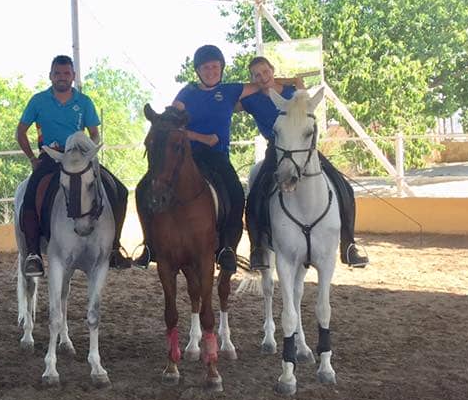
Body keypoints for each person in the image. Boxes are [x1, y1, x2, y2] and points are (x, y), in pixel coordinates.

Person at [135, 45, 294, 272]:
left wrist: (292, 82)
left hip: (217, 156)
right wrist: (197, 136)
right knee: (144, 187)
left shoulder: (231, 90)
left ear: (221, 68)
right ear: (198, 71)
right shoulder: (187, 93)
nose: (211, 71)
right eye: (205, 67)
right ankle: (149, 244)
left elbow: (263, 83)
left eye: (215, 66)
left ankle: (228, 248)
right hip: (188, 154)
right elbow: (173, 118)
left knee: (236, 193)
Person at [241, 56, 368, 269]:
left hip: (303, 147)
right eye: (257, 75)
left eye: (266, 72)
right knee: (257, 192)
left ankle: (348, 244)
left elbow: (308, 108)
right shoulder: (251, 100)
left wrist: (292, 81)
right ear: (252, 79)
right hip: (276, 148)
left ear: (272, 70)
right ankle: (258, 248)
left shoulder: (294, 91)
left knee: (343, 185)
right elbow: (231, 101)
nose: (263, 77)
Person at [15, 55, 131, 278]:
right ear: (50, 76)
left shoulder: (84, 102)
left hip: (81, 160)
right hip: (52, 158)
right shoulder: (38, 101)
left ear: (73, 76)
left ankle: (114, 247)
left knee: (120, 190)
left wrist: (89, 151)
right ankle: (33, 254)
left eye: (66, 73)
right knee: (30, 195)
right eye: (57, 73)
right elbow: (21, 132)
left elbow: (95, 133)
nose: (62, 78)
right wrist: (32, 157)